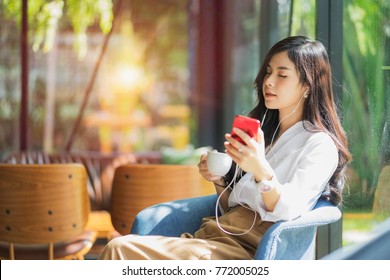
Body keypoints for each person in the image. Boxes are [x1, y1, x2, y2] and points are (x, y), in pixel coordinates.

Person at [99, 35, 352, 260]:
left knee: (119, 249)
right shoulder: (268, 133)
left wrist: (261, 169)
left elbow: (288, 210)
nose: (269, 82)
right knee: (122, 248)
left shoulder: (320, 145)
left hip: (247, 249)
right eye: (268, 72)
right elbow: (234, 205)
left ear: (307, 86)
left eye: (282, 75)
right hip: (215, 236)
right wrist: (219, 179)